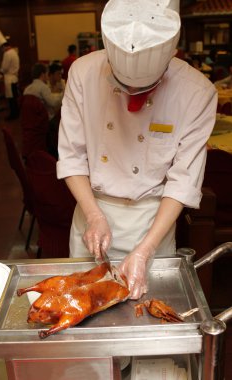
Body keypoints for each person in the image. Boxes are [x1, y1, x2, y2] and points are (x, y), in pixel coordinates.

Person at [57, 0, 218, 300]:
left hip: (152, 224)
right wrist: (94, 216)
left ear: (172, 53)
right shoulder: (82, 73)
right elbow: (72, 157)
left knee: (147, 317)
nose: (132, 95)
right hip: (92, 213)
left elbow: (183, 182)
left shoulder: (197, 92)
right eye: (122, 84)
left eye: (143, 87)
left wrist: (145, 250)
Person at [23, 63, 63, 158]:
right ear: (43, 74)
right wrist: (63, 93)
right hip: (43, 121)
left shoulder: (27, 88)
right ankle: (56, 150)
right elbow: (53, 103)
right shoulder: (42, 87)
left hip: (30, 121)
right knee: (59, 119)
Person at [0, 30, 20, 120]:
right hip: (14, 78)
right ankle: (16, 114)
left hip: (10, 79)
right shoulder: (14, 52)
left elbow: (4, 68)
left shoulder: (7, 53)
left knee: (11, 99)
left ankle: (13, 115)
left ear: (3, 46)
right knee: (14, 98)